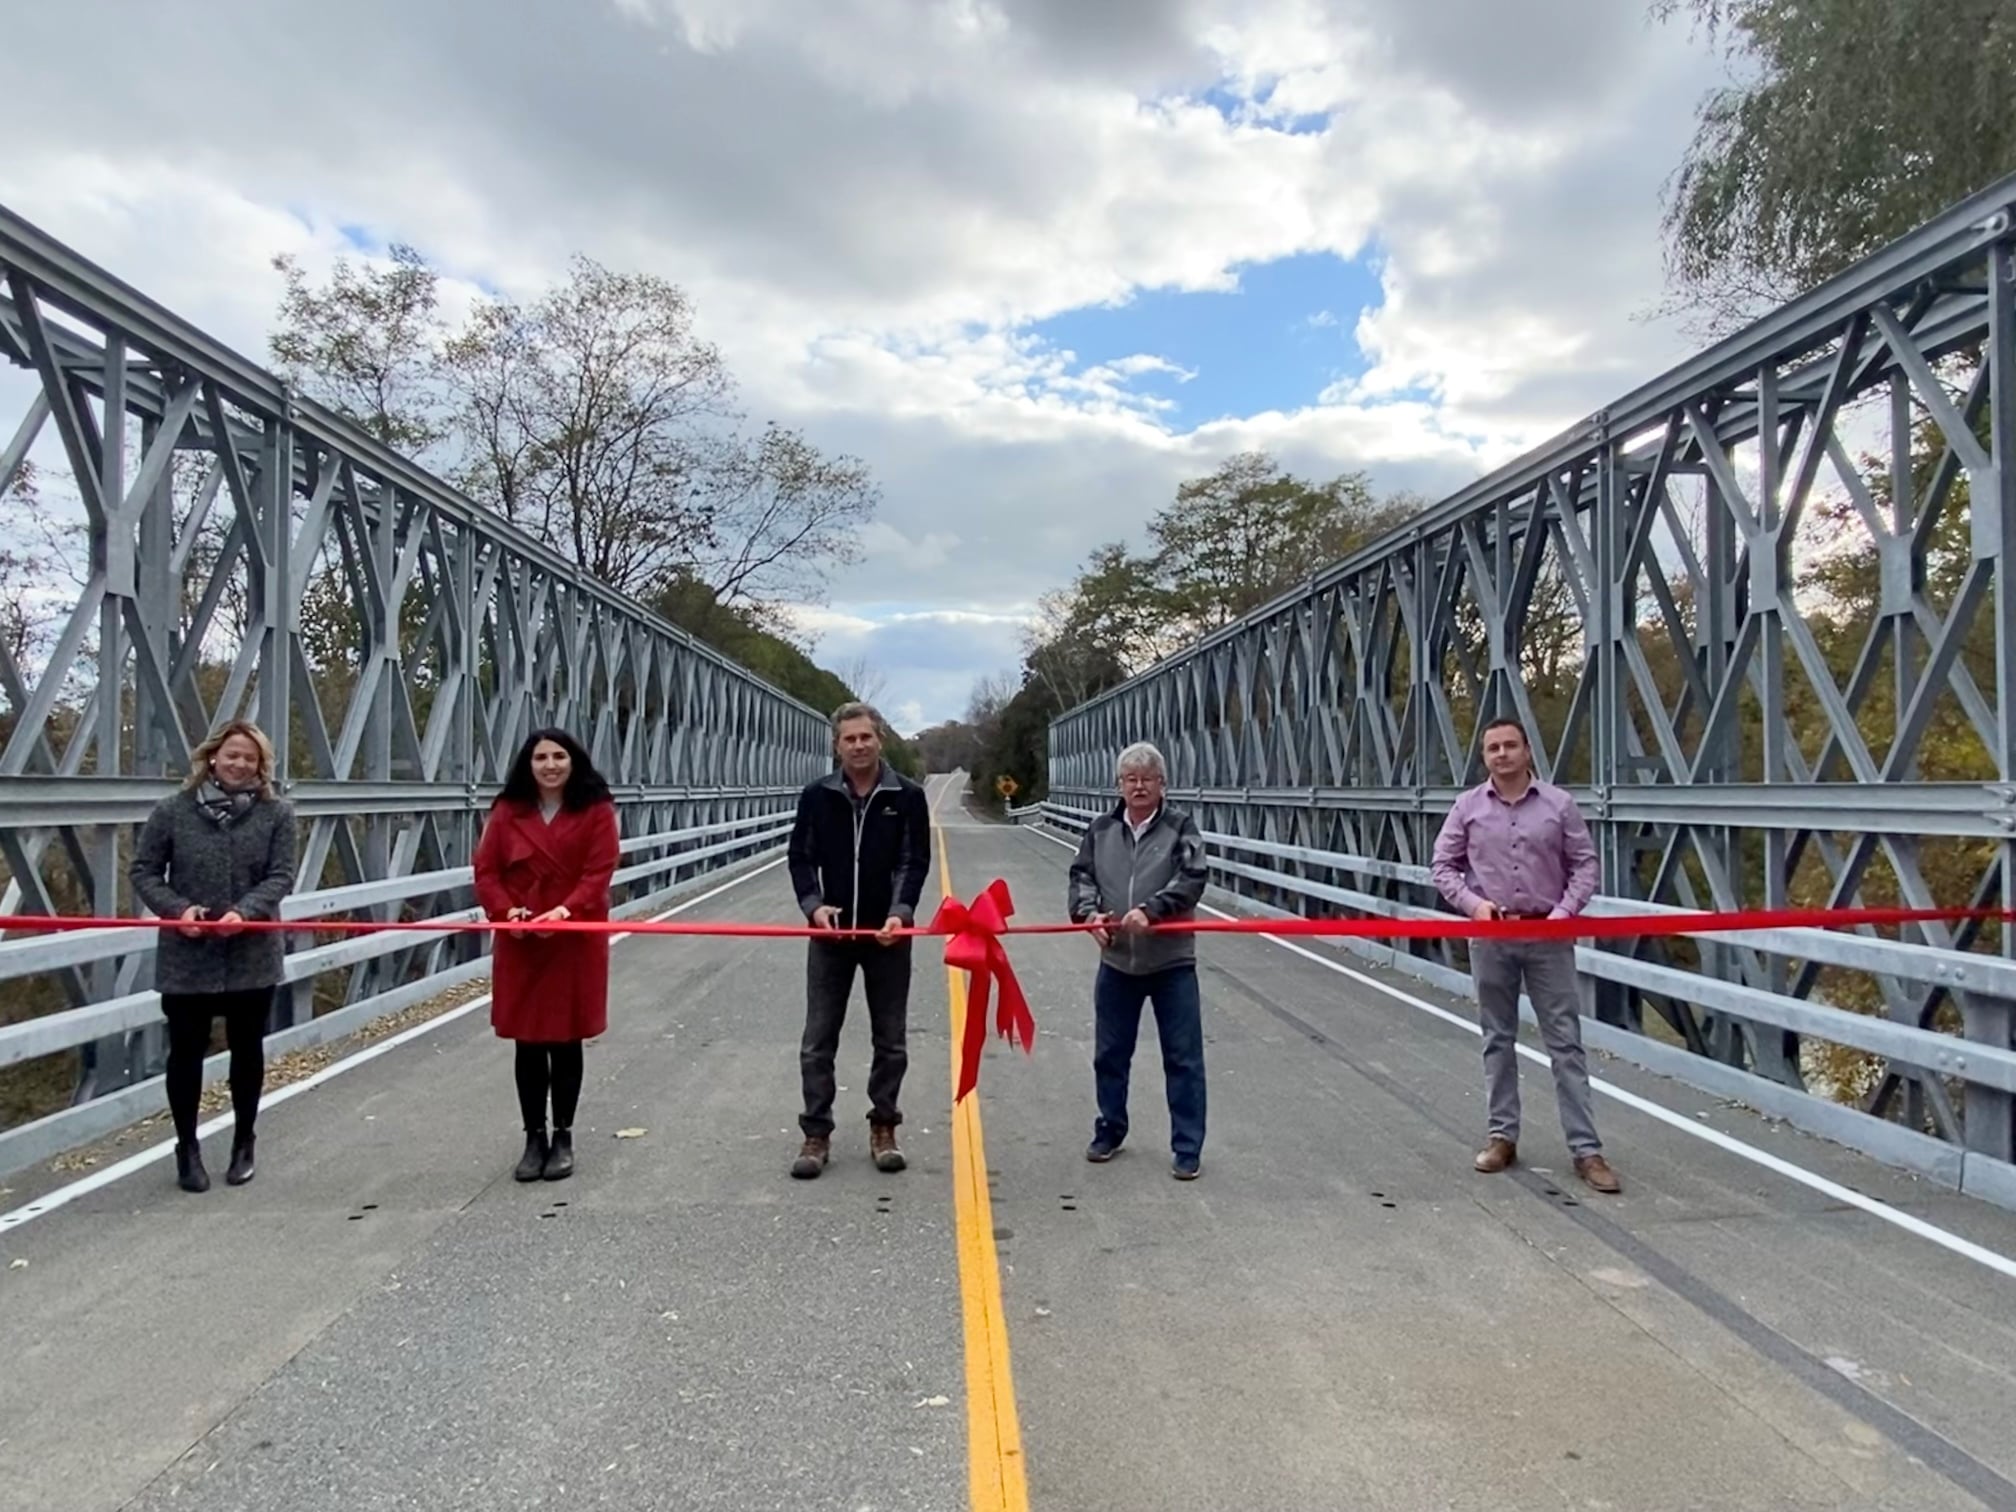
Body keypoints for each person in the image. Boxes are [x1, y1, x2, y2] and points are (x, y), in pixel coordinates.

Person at [1431, 715, 1620, 1194]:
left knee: (1565, 1043)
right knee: (1498, 1038)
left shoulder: (1559, 805)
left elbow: (1585, 866)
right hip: (1492, 937)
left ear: (1527, 751)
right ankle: (1502, 1137)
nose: (1502, 754)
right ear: (1484, 757)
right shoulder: (1467, 807)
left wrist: (1563, 912)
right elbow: (1442, 866)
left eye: (1510, 745)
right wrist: (1474, 906)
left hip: (1548, 937)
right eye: (1493, 748)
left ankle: (1586, 1150)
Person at [130, 720, 296, 1194]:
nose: (240, 764)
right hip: (188, 952)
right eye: (232, 755)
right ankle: (187, 1147)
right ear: (211, 758)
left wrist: (246, 912)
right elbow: (144, 870)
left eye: (250, 758)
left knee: (247, 1050)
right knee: (185, 1053)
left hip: (250, 951)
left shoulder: (277, 814)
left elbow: (282, 875)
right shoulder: (173, 811)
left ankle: (244, 1141)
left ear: (261, 766)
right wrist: (177, 909)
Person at [787, 702, 930, 1179]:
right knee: (817, 1040)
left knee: (890, 1039)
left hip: (886, 935)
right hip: (831, 934)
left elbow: (914, 861)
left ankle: (884, 1126)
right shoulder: (816, 797)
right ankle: (816, 1133)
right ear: (837, 745)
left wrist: (900, 913)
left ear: (880, 739)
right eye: (849, 739)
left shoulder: (906, 796)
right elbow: (801, 858)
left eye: (866, 736)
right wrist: (813, 906)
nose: (859, 745)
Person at [473, 728, 620, 1184]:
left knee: (567, 1036)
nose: (550, 765)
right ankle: (533, 1137)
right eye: (541, 757)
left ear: (574, 760)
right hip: (522, 937)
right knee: (529, 1040)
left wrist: (565, 909)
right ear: (528, 763)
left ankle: (564, 1136)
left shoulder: (595, 809)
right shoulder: (508, 810)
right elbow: (486, 869)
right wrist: (506, 912)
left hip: (573, 933)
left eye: (559, 756)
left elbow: (601, 868)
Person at [1066, 741, 1210, 1179]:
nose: (1140, 786)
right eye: (1131, 779)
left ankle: (1187, 1147)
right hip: (1117, 962)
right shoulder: (1101, 829)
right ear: (1119, 785)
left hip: (1171, 963)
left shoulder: (1181, 828)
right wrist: (1089, 915)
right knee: (1110, 1054)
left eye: (1148, 778)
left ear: (1162, 785)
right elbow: (1081, 875)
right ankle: (1110, 1128)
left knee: (1182, 1058)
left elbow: (1193, 877)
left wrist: (1152, 910)